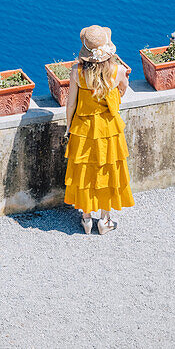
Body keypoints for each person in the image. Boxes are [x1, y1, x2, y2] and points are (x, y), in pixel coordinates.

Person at [63, 24, 134, 234]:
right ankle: (104, 220)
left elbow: (70, 104)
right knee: (107, 171)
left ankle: (86, 219)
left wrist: (69, 128)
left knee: (85, 171)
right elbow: (122, 92)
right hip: (109, 129)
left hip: (83, 129)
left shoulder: (76, 73)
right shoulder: (119, 71)